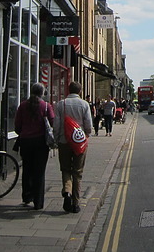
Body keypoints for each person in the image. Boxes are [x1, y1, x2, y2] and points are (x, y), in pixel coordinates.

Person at [53, 81, 93, 213]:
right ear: (80, 91)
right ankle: (76, 204)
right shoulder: (84, 104)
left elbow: (57, 125)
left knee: (65, 169)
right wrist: (86, 135)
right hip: (79, 143)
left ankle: (67, 191)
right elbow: (88, 125)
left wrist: (57, 139)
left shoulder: (61, 104)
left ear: (68, 90)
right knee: (77, 172)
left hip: (64, 142)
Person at [14, 83, 54, 210]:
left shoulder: (22, 106)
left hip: (25, 142)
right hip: (41, 143)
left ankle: (27, 196)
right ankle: (38, 202)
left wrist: (24, 132)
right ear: (42, 93)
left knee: (27, 169)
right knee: (39, 172)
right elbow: (52, 122)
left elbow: (17, 126)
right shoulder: (46, 106)